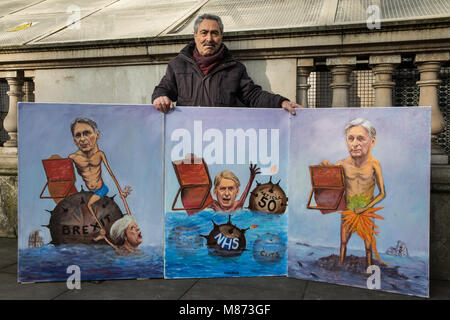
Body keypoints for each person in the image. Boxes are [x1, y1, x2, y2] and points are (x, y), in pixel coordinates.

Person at [152, 14, 303, 114]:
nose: (209, 39)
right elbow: (163, 89)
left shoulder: (235, 68)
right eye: (204, 33)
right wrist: (160, 97)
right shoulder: (177, 65)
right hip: (188, 136)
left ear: (221, 37)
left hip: (221, 140)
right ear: (195, 36)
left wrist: (281, 102)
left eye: (214, 33)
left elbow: (253, 96)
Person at [320, 118, 386, 267]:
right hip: (348, 212)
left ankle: (369, 269)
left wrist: (365, 208)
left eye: (361, 138)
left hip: (366, 213)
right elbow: (333, 185)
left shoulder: (374, 164)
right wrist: (325, 169)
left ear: (372, 142)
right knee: (343, 243)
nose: (355, 144)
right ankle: (341, 268)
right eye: (351, 139)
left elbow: (382, 193)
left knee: (368, 247)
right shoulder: (342, 164)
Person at [69, 117, 132, 246]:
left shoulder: (100, 154)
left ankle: (102, 232)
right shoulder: (73, 158)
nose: (82, 139)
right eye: (78, 135)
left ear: (97, 135)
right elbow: (68, 177)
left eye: (87, 133)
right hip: (88, 190)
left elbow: (111, 174)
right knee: (87, 205)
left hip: (102, 188)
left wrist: (121, 192)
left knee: (89, 205)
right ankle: (103, 233)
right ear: (74, 140)